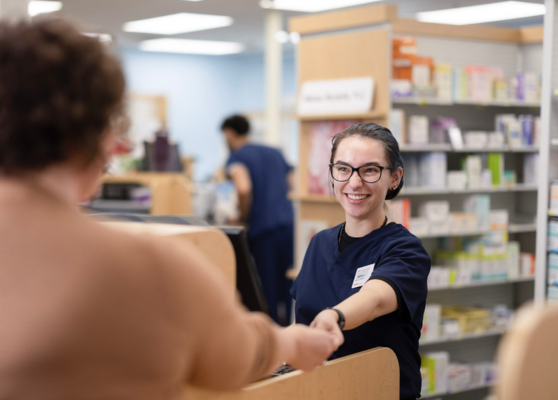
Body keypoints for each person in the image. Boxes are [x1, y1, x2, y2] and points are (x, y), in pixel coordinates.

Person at [0, 19, 337, 399]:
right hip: (278, 229)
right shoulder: (149, 266)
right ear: (96, 134)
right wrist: (289, 341)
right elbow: (237, 355)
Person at [291, 122, 431, 400]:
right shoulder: (320, 243)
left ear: (394, 178)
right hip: (320, 389)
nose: (354, 182)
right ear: (331, 174)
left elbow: (375, 299)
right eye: (343, 169)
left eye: (370, 170)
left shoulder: (406, 250)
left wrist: (336, 316)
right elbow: (302, 323)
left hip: (379, 391)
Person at [222, 115, 295, 325]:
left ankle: (271, 341)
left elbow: (244, 188)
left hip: (263, 230)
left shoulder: (237, 157)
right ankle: (289, 331)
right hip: (288, 224)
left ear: (229, 133)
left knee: (265, 288)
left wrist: (243, 217)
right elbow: (292, 183)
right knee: (288, 283)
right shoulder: (275, 152)